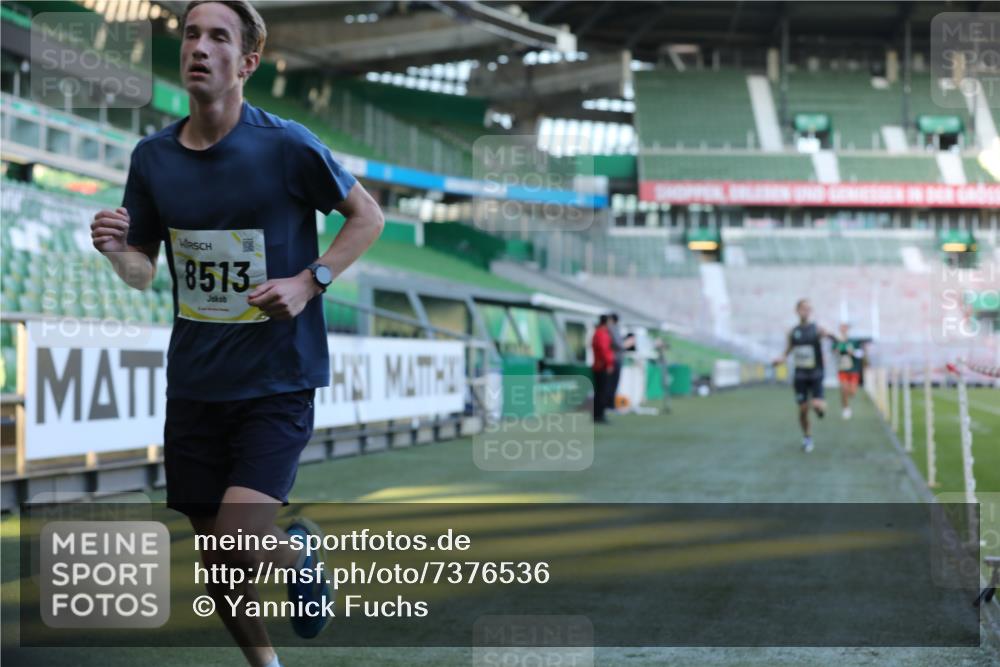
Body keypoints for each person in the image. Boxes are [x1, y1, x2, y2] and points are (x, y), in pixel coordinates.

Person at [90, 2, 384, 666]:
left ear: (247, 62)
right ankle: (265, 662)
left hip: (277, 380)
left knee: (234, 537)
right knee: (219, 561)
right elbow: (142, 273)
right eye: (192, 34)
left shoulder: (286, 145)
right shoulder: (153, 158)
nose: (200, 46)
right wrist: (117, 251)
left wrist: (311, 281)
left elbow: (368, 217)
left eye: (219, 37)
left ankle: (297, 550)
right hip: (195, 384)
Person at [774, 299, 836, 453]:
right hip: (800, 375)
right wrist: (781, 359)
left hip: (816, 373)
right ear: (797, 311)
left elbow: (834, 338)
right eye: (803, 309)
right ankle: (807, 437)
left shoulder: (817, 329)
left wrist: (829, 334)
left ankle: (820, 409)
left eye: (808, 309)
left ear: (811, 311)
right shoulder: (793, 332)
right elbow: (788, 350)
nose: (805, 311)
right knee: (802, 409)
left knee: (816, 405)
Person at [834, 322, 863, 420]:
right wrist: (837, 350)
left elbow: (860, 354)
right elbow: (834, 352)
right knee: (844, 389)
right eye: (841, 328)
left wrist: (853, 352)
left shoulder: (853, 341)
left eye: (845, 328)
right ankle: (846, 408)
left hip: (853, 369)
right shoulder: (837, 341)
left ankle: (847, 402)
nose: (843, 330)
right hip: (842, 370)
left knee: (852, 392)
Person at [591, 314, 615, 423]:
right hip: (602, 366)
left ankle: (597, 414)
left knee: (599, 391)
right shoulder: (602, 333)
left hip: (598, 365)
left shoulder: (597, 332)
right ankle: (599, 415)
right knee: (602, 392)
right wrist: (609, 363)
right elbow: (604, 350)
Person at [608, 313, 625, 413]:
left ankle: (611, 404)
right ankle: (610, 405)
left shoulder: (614, 329)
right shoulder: (613, 329)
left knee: (613, 384)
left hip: (615, 360)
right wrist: (625, 344)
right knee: (612, 384)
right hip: (614, 360)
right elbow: (619, 345)